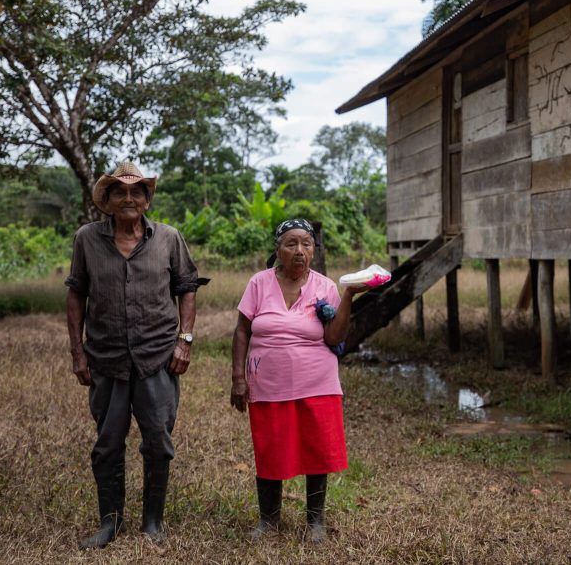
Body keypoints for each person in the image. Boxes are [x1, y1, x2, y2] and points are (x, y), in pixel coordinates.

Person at [66, 162, 205, 549]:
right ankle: (109, 523)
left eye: (137, 191)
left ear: (146, 200)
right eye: (120, 192)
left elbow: (187, 287)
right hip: (105, 358)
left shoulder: (169, 238)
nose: (129, 198)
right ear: (107, 200)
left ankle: (152, 523)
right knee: (108, 443)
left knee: (158, 441)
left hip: (157, 356)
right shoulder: (87, 239)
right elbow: (76, 292)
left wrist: (185, 340)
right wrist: (78, 352)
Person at [230, 219, 364, 543]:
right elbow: (242, 331)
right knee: (270, 449)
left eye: (306, 244)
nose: (299, 251)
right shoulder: (259, 283)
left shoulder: (326, 287)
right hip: (268, 384)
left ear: (314, 250)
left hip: (317, 383)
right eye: (291, 244)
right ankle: (268, 521)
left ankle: (315, 522)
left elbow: (333, 336)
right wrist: (237, 378)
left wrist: (347, 297)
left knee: (317, 451)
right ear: (278, 249)